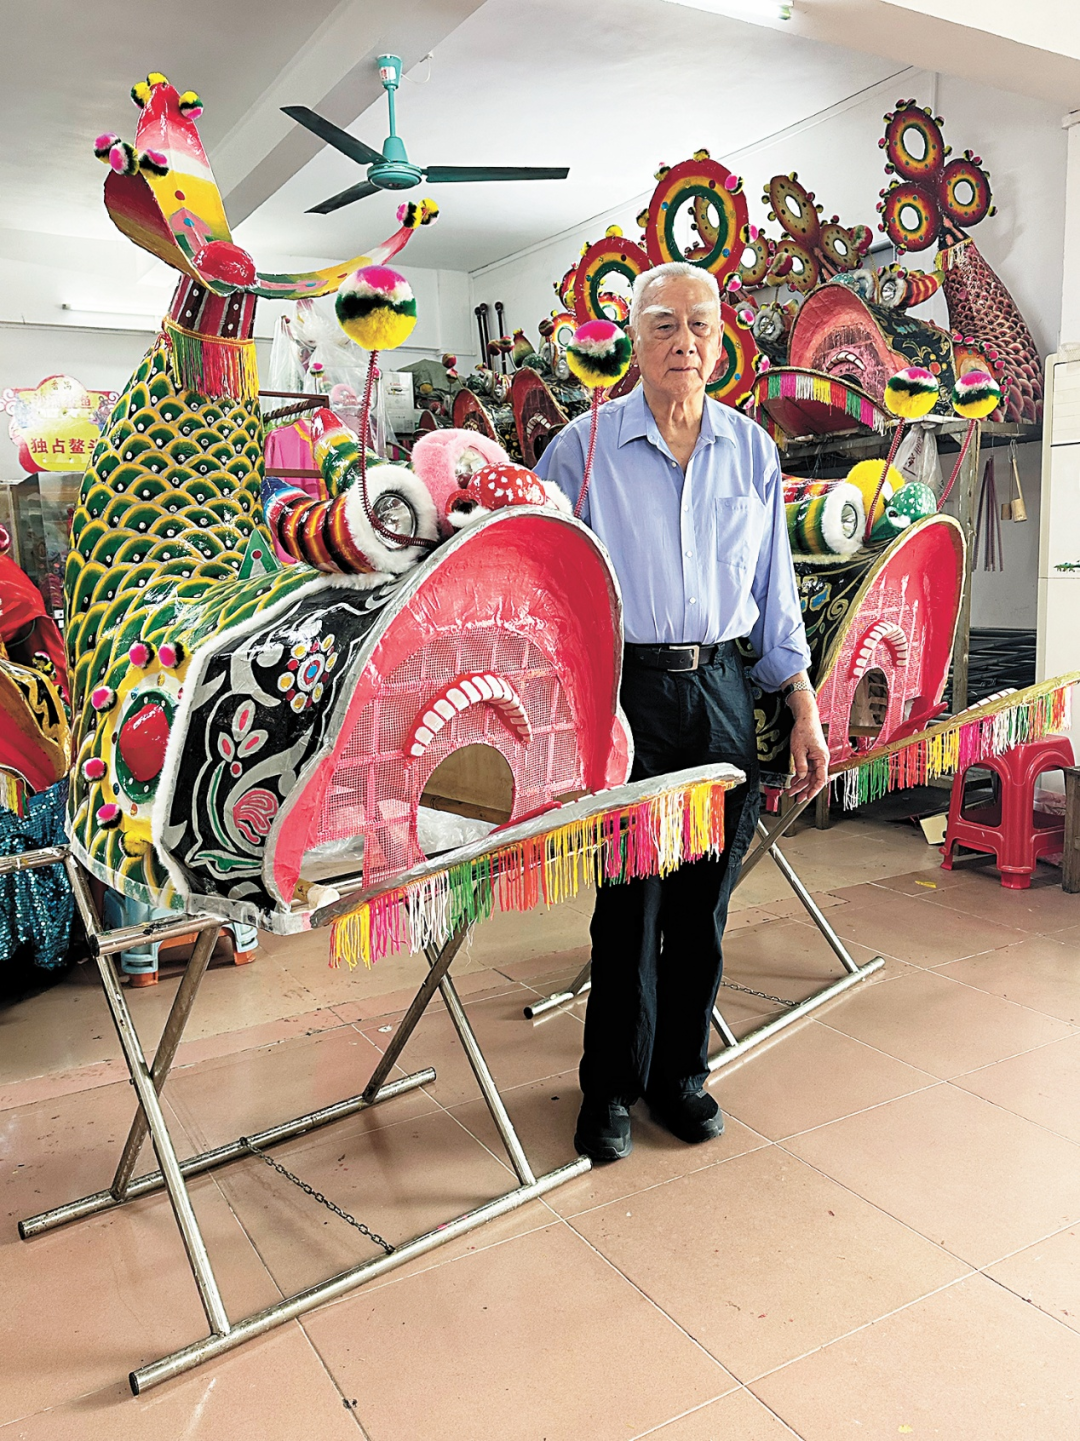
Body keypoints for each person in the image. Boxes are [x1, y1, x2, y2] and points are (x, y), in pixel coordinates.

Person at [535, 261, 828, 1163]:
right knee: (629, 904)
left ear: (720, 339)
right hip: (627, 695)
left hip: (724, 692)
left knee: (703, 906)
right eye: (664, 324)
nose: (684, 342)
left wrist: (802, 703)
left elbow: (775, 591)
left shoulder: (752, 451)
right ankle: (610, 1088)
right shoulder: (580, 450)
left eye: (700, 325)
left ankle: (680, 1077)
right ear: (634, 339)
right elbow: (544, 586)